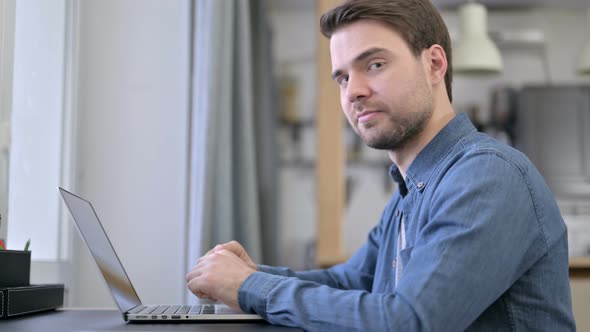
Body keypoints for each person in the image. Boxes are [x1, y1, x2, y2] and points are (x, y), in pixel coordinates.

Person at [185, 0, 576, 330]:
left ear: (434, 65)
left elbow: (408, 321)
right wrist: (251, 277)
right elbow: (350, 281)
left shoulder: (487, 175)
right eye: (342, 78)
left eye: (374, 64)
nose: (353, 91)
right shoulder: (410, 193)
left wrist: (250, 288)